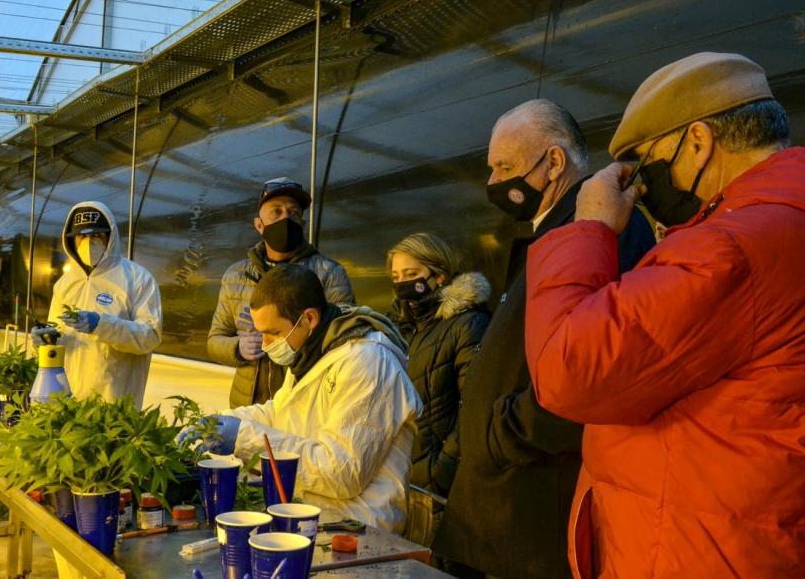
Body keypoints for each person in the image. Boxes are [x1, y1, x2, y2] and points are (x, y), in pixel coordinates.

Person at [525, 53, 805, 578]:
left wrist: (590, 229)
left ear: (698, 142)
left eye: (644, 165)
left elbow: (569, 370)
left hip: (692, 551)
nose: (641, 188)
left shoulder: (728, 249)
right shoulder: (786, 222)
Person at [433, 99, 655, 578]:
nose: (493, 184)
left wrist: (502, 436)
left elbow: (598, 365)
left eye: (505, 168)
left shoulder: (603, 228)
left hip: (530, 520)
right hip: (498, 514)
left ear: (554, 162)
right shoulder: (549, 234)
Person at [198, 263, 420, 531]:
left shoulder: (367, 362)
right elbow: (280, 412)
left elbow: (342, 471)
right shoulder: (313, 353)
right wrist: (221, 422)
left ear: (310, 319)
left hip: (358, 528)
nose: (266, 345)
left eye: (274, 333)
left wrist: (243, 438)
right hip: (315, 517)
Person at [208, 177, 354, 408]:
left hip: (304, 402)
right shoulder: (236, 275)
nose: (286, 218)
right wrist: (237, 348)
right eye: (276, 212)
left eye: (294, 212)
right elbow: (215, 338)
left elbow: (345, 342)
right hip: (247, 402)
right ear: (259, 225)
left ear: (303, 225)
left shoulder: (329, 274)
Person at [387, 233, 490, 546]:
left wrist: (440, 470)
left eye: (412, 275)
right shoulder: (401, 329)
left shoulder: (466, 325)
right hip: (404, 482)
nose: (402, 283)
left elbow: (475, 406)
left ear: (440, 276)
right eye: (395, 277)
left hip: (443, 487)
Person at [41, 201, 162, 408]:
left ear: (110, 236)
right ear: (72, 240)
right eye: (82, 236)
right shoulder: (65, 283)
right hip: (69, 400)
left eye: (96, 235)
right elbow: (58, 330)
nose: (88, 243)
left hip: (114, 403)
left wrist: (101, 325)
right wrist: (46, 338)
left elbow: (150, 336)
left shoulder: (137, 279)